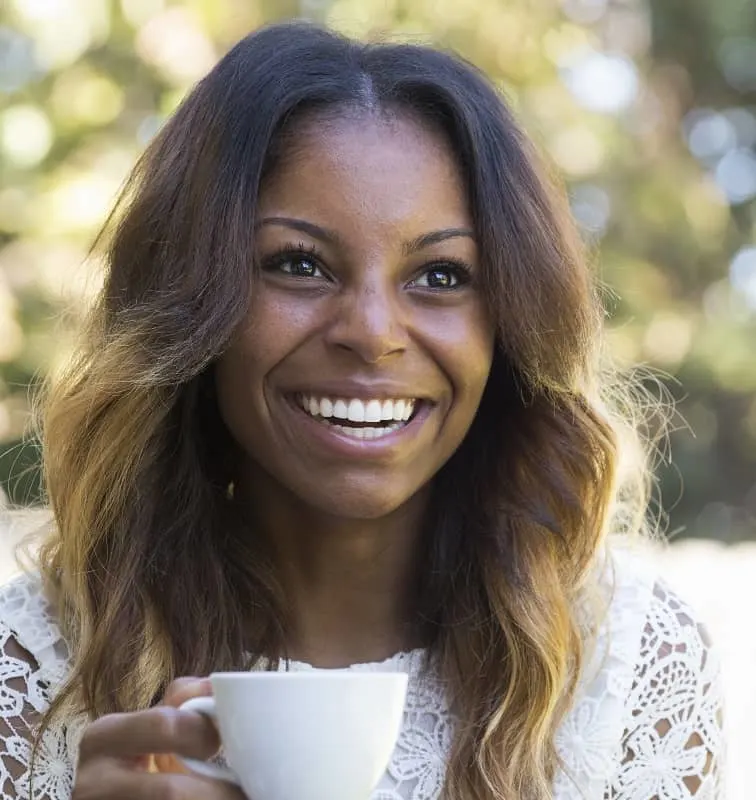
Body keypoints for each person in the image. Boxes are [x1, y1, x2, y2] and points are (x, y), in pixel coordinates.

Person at [0, 19, 723, 800]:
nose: (373, 335)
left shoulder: (627, 674)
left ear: (510, 323)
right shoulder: (32, 670)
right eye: (299, 265)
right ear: (192, 306)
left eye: (441, 276)